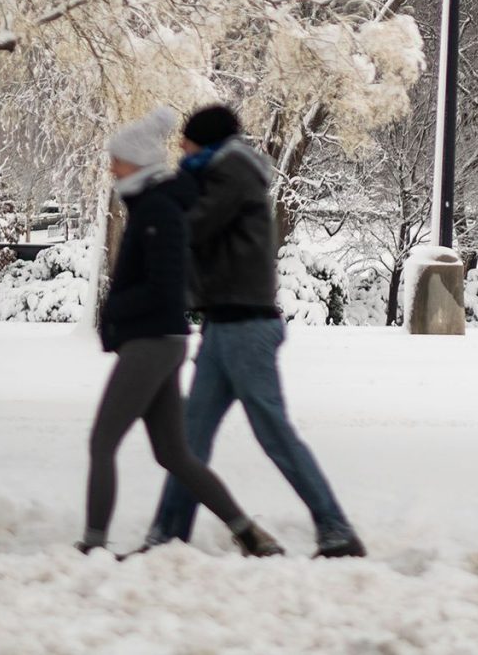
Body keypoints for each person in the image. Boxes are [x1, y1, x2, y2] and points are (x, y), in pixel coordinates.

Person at [143, 104, 363, 559]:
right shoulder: (221, 172)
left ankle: (336, 529)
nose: (181, 146)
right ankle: (167, 535)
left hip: (245, 327)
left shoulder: (234, 173)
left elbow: (193, 228)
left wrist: (164, 197)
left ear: (206, 142)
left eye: (187, 139)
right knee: (191, 439)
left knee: (273, 435)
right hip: (224, 325)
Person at [83, 106, 280, 558]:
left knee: (102, 440)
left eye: (117, 159)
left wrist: (116, 311)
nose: (111, 167)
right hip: (160, 339)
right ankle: (250, 533)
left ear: (138, 163)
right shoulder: (152, 205)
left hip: (153, 341)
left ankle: (92, 544)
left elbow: (164, 284)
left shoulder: (158, 210)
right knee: (174, 454)